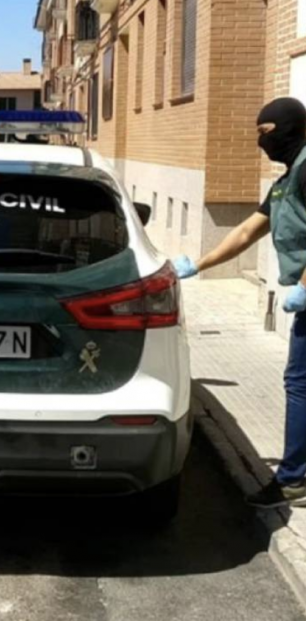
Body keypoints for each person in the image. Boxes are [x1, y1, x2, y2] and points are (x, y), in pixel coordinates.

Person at [174, 97, 306, 509]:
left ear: (290, 127)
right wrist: (197, 265)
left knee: (300, 384)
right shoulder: (288, 179)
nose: (260, 141)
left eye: (266, 132)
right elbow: (248, 231)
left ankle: (294, 479)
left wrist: (305, 284)